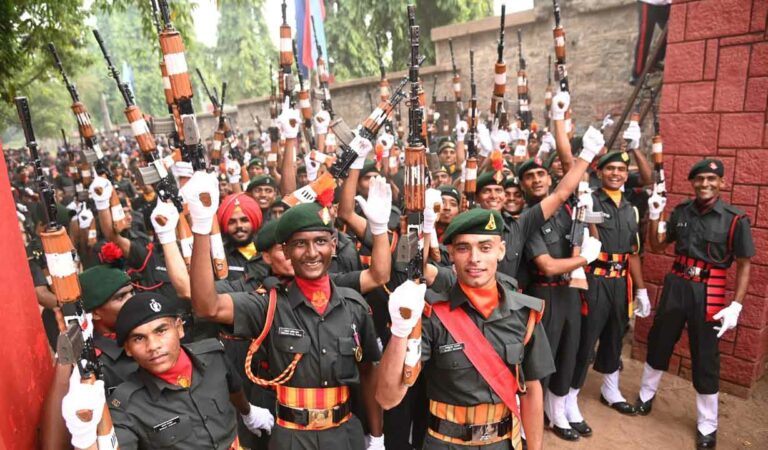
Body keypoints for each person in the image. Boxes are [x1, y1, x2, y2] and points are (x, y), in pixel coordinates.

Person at [184, 169, 385, 450]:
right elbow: (207, 306)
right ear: (286, 251)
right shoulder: (269, 305)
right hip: (291, 438)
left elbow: (368, 372)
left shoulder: (354, 305)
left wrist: (377, 437)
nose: (312, 253)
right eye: (300, 244)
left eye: (320, 242)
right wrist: (202, 225)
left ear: (334, 245)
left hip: (344, 434)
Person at [376, 208, 556, 450]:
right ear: (451, 255)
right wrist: (400, 330)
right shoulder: (431, 315)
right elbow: (387, 398)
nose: (474, 258)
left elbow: (531, 389)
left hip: (502, 443)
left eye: (485, 247)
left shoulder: (525, 314)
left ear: (501, 250)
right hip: (445, 443)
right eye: (463, 248)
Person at [636, 159, 754, 449]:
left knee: (705, 353)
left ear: (722, 183)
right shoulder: (681, 212)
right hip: (677, 283)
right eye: (699, 179)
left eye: (711, 179)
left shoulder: (735, 219)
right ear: (693, 183)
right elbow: (658, 246)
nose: (705, 184)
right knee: (660, 340)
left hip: (710, 288)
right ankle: (645, 397)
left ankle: (707, 424)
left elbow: (744, 264)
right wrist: (654, 216)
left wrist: (737, 305)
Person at [60, 292, 274, 449]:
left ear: (179, 328)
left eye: (161, 331)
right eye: (138, 338)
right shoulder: (127, 405)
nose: (153, 346)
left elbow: (233, 386)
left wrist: (248, 412)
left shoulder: (214, 355)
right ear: (128, 349)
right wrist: (84, 436)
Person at [517, 157, 602, 441]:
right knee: (544, 359)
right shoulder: (529, 220)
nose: (537, 180)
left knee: (569, 352)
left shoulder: (568, 210)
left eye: (541, 174)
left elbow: (592, 237)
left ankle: (558, 413)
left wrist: (588, 217)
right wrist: (583, 258)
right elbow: (548, 266)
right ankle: (530, 416)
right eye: (529, 176)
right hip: (544, 294)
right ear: (522, 184)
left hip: (570, 292)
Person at [568, 150, 652, 434]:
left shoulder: (631, 208)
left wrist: (641, 290)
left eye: (620, 169)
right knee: (586, 337)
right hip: (595, 279)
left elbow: (634, 253)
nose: (616, 173)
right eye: (610, 169)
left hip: (621, 282)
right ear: (599, 172)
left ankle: (611, 391)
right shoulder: (589, 199)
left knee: (616, 335)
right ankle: (569, 399)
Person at [630, 0, 670, 85]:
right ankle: (637, 74)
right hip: (649, 2)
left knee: (673, 33)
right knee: (645, 36)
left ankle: (655, 60)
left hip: (667, 3)